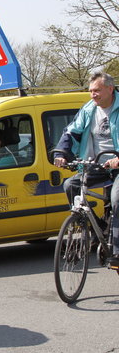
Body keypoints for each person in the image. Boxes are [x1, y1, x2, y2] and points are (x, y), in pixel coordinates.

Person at [54, 71, 119, 268]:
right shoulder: (89, 109)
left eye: (97, 90)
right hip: (97, 165)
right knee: (70, 185)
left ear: (110, 89)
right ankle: (96, 229)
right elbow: (72, 131)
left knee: (117, 198)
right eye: (90, 91)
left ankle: (117, 251)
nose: (93, 95)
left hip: (118, 167)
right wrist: (61, 153)